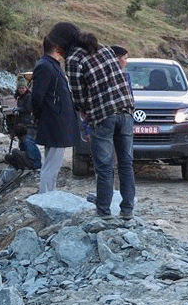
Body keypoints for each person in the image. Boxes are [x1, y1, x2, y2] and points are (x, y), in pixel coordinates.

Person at [65, 29, 136, 219]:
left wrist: (83, 109)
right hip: (126, 110)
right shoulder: (106, 50)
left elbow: (78, 93)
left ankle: (104, 211)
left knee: (104, 166)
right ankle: (127, 210)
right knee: (126, 163)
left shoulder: (74, 59)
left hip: (103, 114)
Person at [31, 25, 80, 194]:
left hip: (55, 121)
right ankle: (45, 196)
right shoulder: (45, 66)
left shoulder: (52, 65)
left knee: (53, 164)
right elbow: (37, 97)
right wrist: (41, 116)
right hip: (54, 122)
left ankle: (49, 193)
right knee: (51, 165)